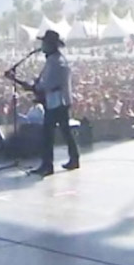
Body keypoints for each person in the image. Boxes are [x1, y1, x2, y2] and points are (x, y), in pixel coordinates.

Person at [30, 30, 80, 176]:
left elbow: (50, 84)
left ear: (51, 45)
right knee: (65, 131)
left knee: (48, 134)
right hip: (59, 101)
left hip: (56, 102)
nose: (42, 46)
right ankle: (74, 159)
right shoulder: (56, 60)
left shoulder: (55, 62)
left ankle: (47, 165)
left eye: (44, 43)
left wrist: (36, 87)